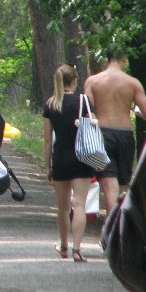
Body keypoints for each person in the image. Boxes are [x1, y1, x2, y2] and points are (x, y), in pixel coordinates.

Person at [83, 46, 146, 216]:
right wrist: (136, 110)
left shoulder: (93, 81)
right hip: (125, 135)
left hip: (102, 134)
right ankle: (117, 226)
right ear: (123, 59)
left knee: (109, 185)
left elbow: (88, 110)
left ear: (107, 59)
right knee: (120, 184)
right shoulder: (132, 83)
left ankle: (112, 228)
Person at [42, 63, 96, 262]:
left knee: (63, 207)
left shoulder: (51, 104)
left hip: (61, 159)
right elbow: (93, 126)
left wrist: (47, 166)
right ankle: (77, 248)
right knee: (79, 204)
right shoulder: (84, 101)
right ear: (74, 81)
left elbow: (48, 139)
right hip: (82, 158)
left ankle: (63, 245)